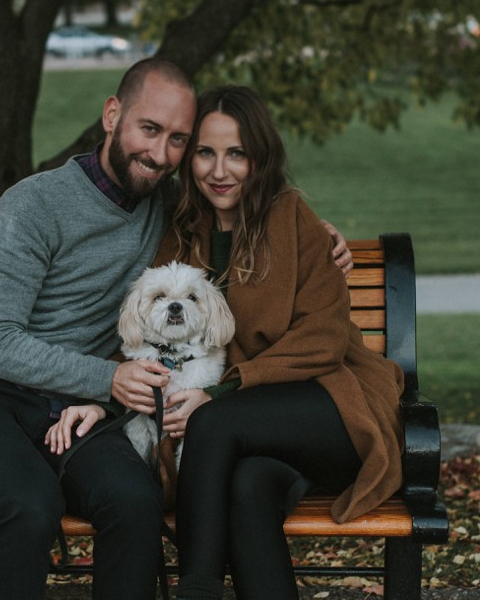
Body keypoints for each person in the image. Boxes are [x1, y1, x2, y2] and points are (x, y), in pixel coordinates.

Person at [0, 62, 352, 600]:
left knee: (134, 501)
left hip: (80, 410)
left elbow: (240, 208)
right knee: (29, 504)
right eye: (149, 130)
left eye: (177, 140)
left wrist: (320, 232)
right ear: (112, 116)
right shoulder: (32, 205)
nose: (159, 154)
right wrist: (109, 378)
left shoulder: (168, 208)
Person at [159, 86, 406, 599]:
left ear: (260, 157)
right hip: (253, 434)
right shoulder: (183, 232)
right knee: (249, 486)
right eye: (206, 152)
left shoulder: (290, 218)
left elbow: (325, 339)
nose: (219, 170)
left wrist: (223, 392)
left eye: (237, 154)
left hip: (333, 407)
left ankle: (196, 590)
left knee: (212, 420)